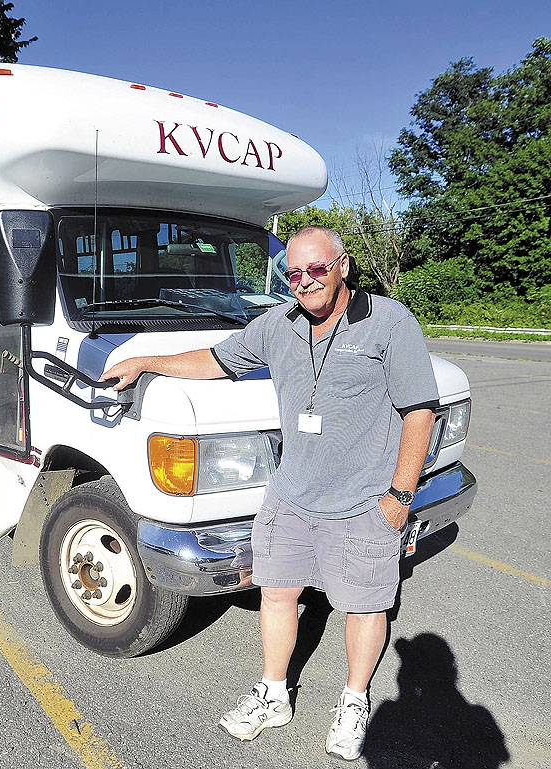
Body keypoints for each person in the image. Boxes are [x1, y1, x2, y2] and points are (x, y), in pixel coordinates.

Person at [101, 225, 438, 761]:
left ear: (343, 266)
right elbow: (217, 360)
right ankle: (273, 694)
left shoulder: (389, 322)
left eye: (316, 269)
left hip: (363, 501)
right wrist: (146, 362)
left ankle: (354, 700)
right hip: (290, 497)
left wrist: (400, 495)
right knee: (276, 594)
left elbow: (420, 410)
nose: (304, 281)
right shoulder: (279, 324)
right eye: (294, 273)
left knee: (364, 605)